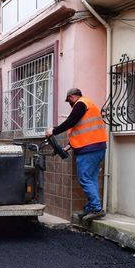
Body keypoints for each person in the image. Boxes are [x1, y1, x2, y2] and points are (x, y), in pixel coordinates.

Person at [46, 87, 108, 221]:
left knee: (85, 178)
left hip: (89, 149)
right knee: (91, 179)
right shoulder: (88, 105)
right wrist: (67, 147)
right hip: (97, 147)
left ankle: (97, 209)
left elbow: (70, 122)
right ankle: (92, 207)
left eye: (69, 100)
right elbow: (82, 131)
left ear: (72, 97)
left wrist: (54, 131)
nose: (70, 104)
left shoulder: (81, 104)